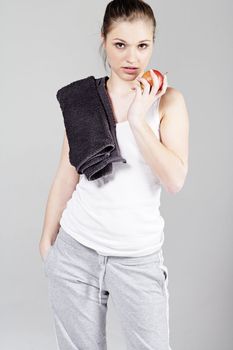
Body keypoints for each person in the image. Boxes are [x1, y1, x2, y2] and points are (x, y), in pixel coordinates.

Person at [39, 0, 189, 349]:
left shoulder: (170, 103)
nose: (131, 58)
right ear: (104, 40)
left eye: (142, 46)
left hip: (138, 258)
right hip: (76, 252)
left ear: (153, 44)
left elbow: (174, 180)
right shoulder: (84, 100)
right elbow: (67, 173)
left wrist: (138, 119)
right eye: (120, 45)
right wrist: (47, 243)